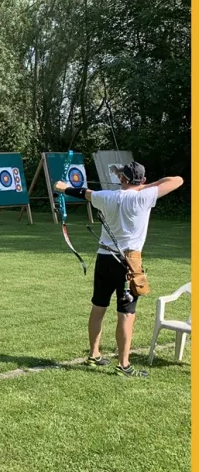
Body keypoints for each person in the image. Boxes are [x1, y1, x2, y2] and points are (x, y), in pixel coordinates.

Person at [54, 161, 183, 377]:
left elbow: (83, 192)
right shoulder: (145, 196)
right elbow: (177, 180)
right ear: (141, 180)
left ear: (121, 179)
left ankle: (94, 355)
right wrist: (144, 186)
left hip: (104, 259)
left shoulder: (106, 196)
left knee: (98, 307)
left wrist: (63, 187)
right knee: (126, 314)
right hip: (128, 263)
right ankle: (123, 365)